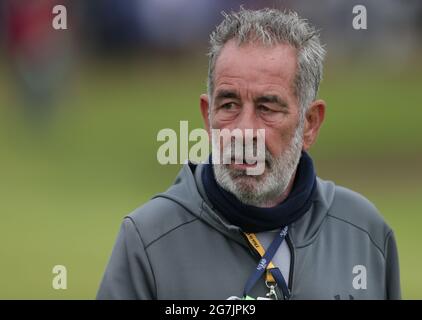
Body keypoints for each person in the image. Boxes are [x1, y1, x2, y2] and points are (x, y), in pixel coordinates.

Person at [97, 8, 400, 300]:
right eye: (229, 105)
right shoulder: (149, 241)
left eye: (267, 108)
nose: (244, 131)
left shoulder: (364, 233)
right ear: (207, 117)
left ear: (309, 124)